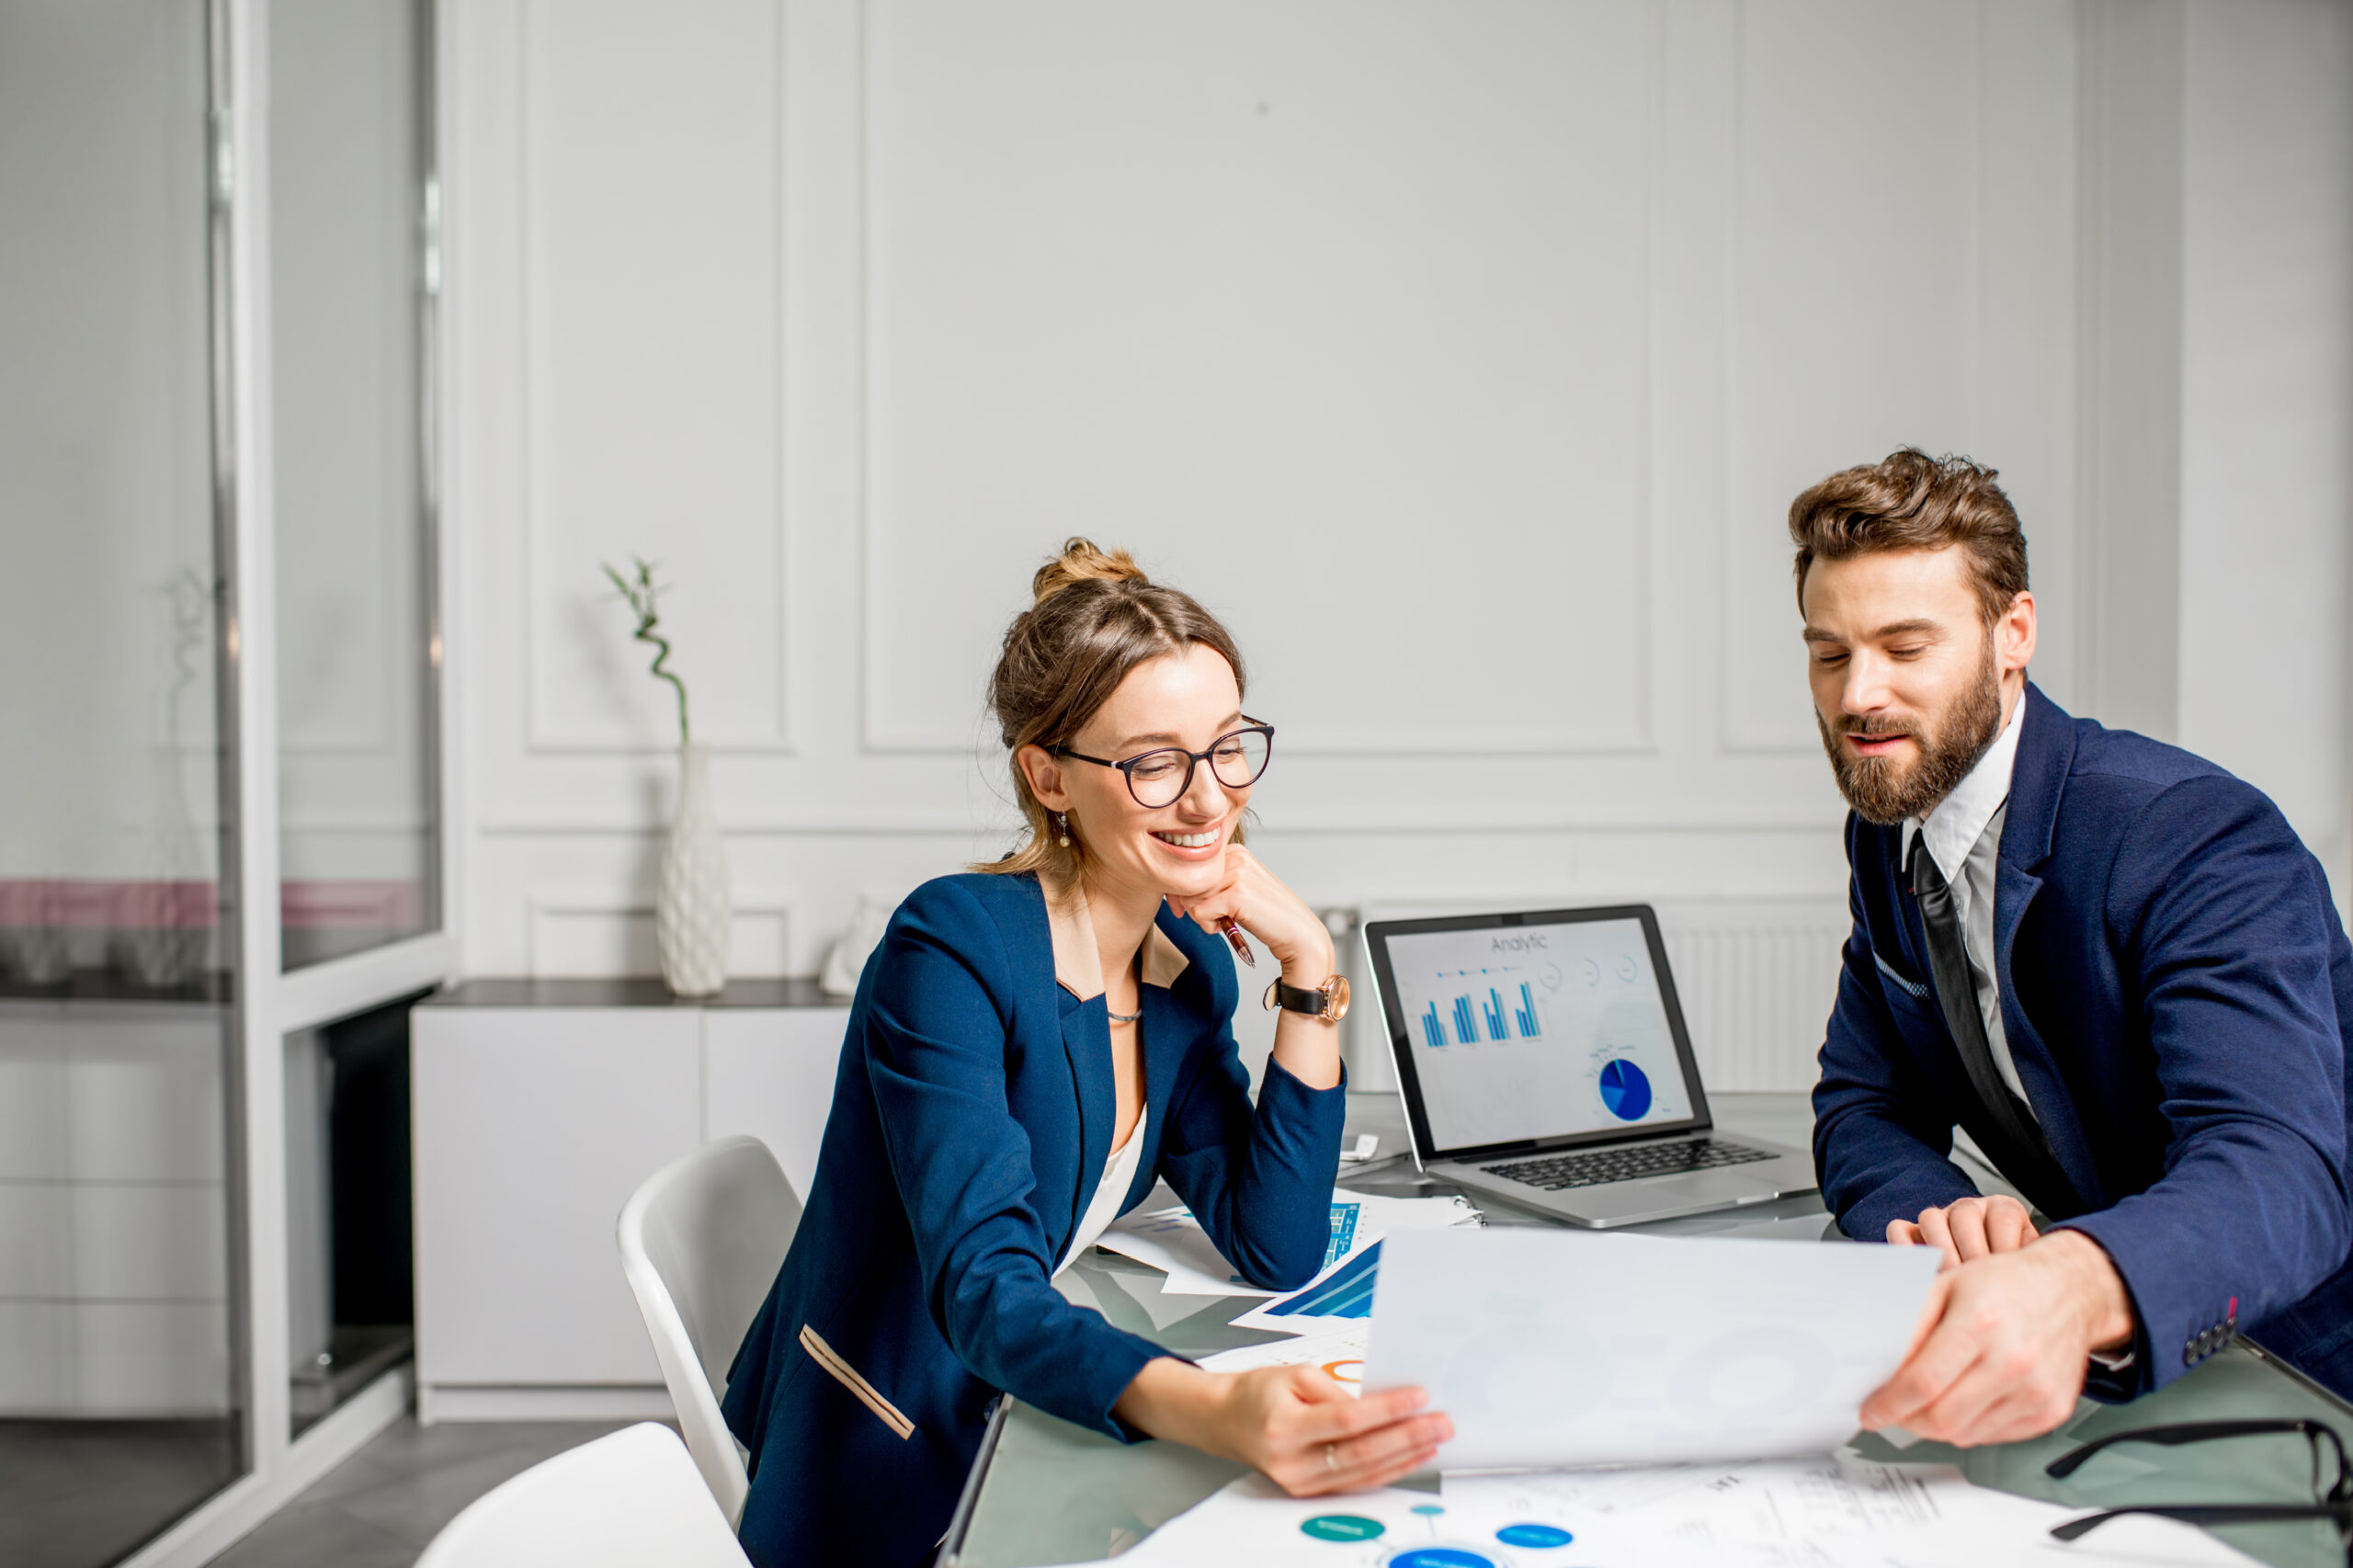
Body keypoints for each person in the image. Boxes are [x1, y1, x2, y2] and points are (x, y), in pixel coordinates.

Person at [721, 540, 1453, 1566]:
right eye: (1153, 761)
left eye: (1226, 745)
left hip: (1032, 1410)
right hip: (893, 1454)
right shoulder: (952, 947)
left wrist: (1308, 965)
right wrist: (1211, 1406)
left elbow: (1274, 1238)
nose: (1206, 799)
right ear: (1049, 775)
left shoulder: (1186, 961)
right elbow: (984, 1284)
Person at [1793, 449, 2353, 1447]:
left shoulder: (2190, 833)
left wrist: (2066, 1281)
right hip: (2116, 1389)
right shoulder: (1888, 827)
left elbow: (2279, 1166)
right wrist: (1938, 1219)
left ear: (2013, 634)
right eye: (1830, 653)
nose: (1855, 695)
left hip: (2308, 1363)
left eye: (1903, 646)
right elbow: (1864, 1101)